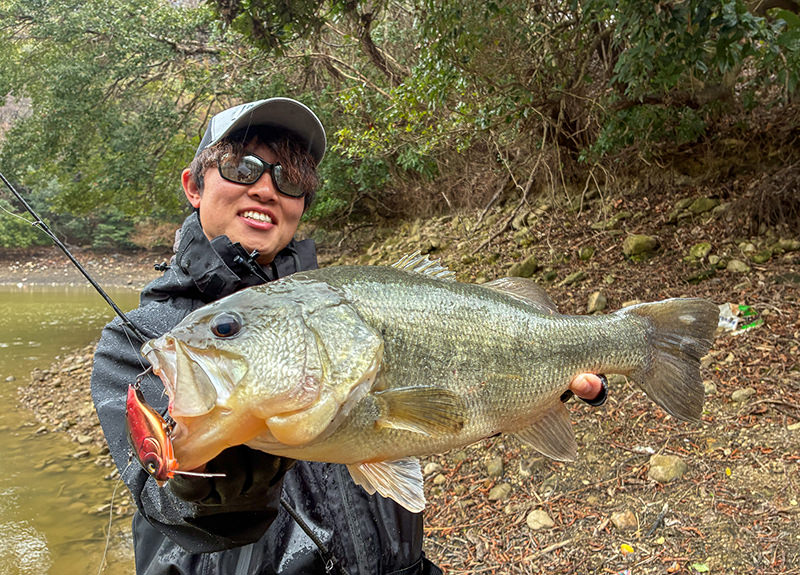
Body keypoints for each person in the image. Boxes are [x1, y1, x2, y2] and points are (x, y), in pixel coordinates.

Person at [91, 97, 607, 575]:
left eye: (289, 178)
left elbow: (435, 419)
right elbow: (170, 508)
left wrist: (524, 395)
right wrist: (200, 476)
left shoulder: (340, 305)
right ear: (194, 185)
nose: (266, 188)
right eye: (240, 166)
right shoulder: (139, 342)